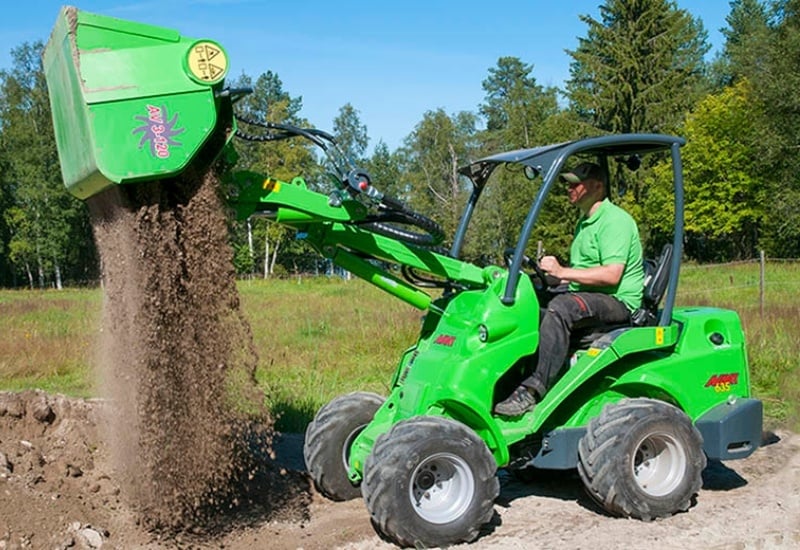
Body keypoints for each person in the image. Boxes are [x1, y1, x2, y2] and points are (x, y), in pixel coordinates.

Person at [494, 161, 645, 417]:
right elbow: (581, 273)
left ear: (597, 187)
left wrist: (563, 271)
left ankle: (532, 390)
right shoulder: (584, 222)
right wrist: (550, 278)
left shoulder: (615, 221)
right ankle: (507, 378)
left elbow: (611, 274)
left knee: (561, 308)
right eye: (568, 183)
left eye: (576, 184)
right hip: (590, 294)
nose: (569, 188)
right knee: (529, 300)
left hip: (618, 301)